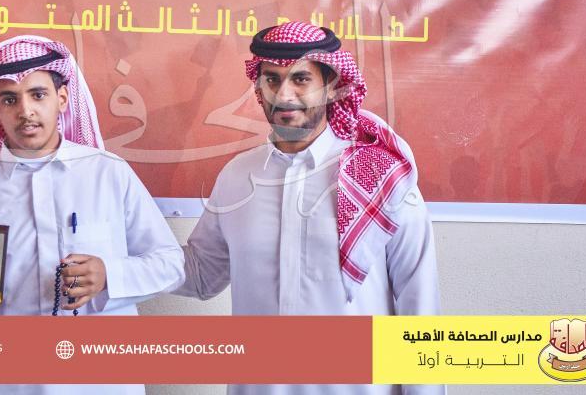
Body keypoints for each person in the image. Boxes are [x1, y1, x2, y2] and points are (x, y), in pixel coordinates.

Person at [176, 21, 443, 395]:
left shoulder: (380, 178)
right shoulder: (237, 176)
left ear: (331, 85)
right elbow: (202, 275)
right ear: (259, 87)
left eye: (301, 79)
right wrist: (117, 262)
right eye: (272, 80)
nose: (284, 95)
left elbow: (420, 310)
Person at [0, 35, 184, 395]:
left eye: (38, 95)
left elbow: (171, 265)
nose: (25, 111)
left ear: (62, 98)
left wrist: (109, 275)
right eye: (9, 99)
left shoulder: (108, 174)